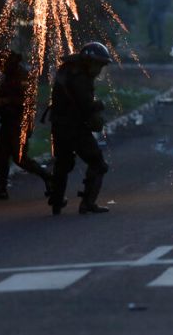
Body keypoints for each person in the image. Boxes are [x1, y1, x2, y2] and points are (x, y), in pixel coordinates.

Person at [47, 42, 112, 216]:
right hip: (74, 128)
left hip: (60, 126)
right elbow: (85, 105)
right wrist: (100, 105)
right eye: (98, 65)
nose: (99, 70)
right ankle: (88, 203)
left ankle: (57, 202)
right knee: (98, 164)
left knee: (62, 164)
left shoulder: (68, 71)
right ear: (88, 61)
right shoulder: (80, 78)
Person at [0, 51, 51, 201]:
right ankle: (1, 189)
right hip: (8, 121)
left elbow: (28, 101)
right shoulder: (8, 77)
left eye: (1, 64)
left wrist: (6, 101)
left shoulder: (23, 76)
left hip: (20, 122)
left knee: (20, 158)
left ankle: (48, 178)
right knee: (0, 156)